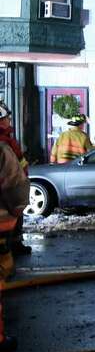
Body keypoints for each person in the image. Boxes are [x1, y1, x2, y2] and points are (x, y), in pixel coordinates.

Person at [0, 102, 30, 256]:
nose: (9, 120)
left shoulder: (7, 139)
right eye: (7, 117)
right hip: (8, 193)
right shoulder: (4, 144)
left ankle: (15, 243)